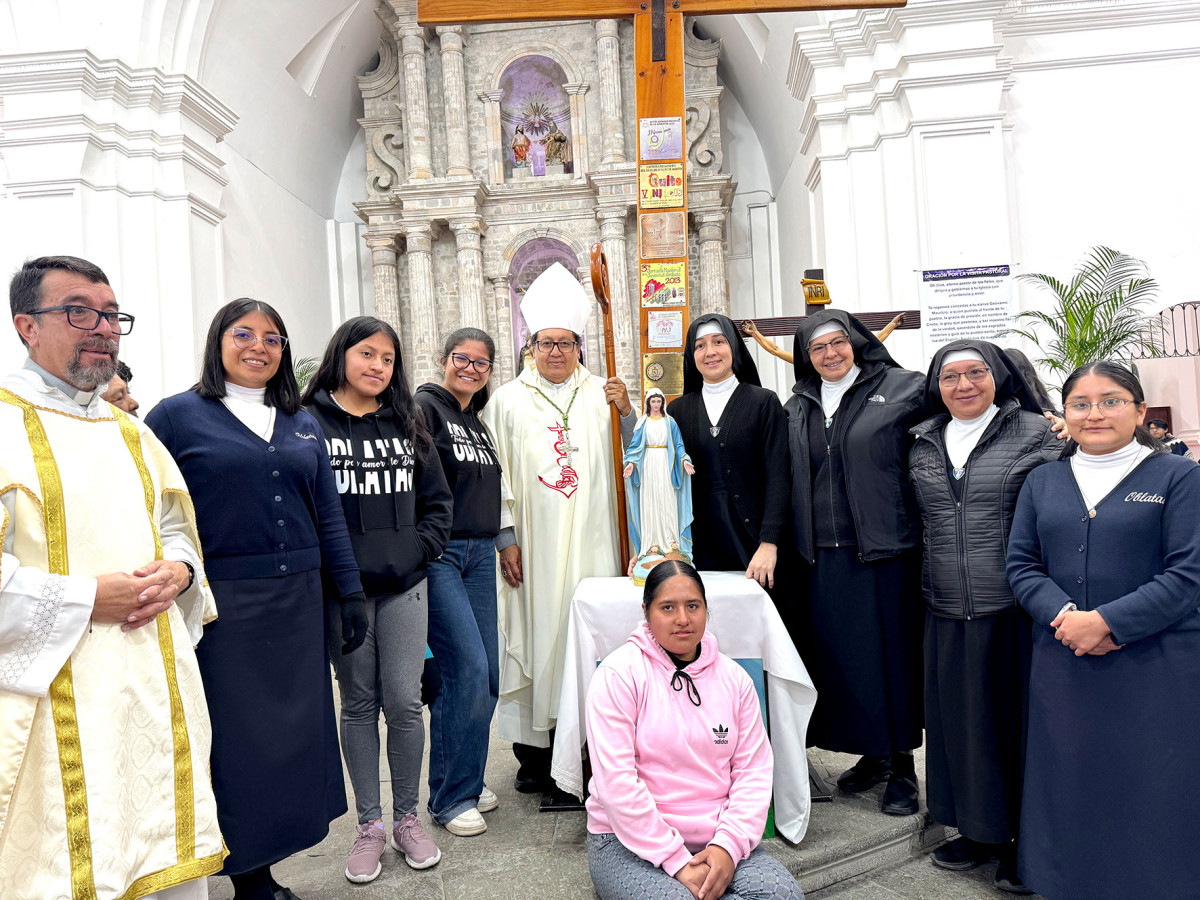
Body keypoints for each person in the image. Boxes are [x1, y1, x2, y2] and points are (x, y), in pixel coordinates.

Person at [0, 255, 223, 898]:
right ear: (26, 325)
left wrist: (180, 573)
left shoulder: (132, 433)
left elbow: (176, 531)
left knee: (162, 849)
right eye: (79, 312)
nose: (102, 328)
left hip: (152, 685)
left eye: (110, 315)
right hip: (51, 696)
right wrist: (84, 598)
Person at [146, 298, 368, 900]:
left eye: (272, 338)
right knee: (239, 742)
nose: (258, 347)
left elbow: (327, 512)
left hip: (299, 603)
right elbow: (150, 507)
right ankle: (246, 875)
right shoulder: (176, 416)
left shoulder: (300, 420)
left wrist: (349, 591)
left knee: (292, 739)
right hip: (224, 609)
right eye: (243, 334)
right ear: (218, 341)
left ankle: (267, 866)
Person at [1006, 360, 1200, 900]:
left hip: (1157, 663)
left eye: (1111, 401)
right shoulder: (1042, 481)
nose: (1095, 413)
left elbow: (1188, 574)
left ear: (1139, 411)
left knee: (1153, 782)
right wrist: (1068, 618)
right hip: (1063, 658)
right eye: (1081, 404)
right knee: (1070, 779)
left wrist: (1109, 623)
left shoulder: (1180, 477)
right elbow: (1021, 565)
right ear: (1064, 414)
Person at [301, 316, 453, 881]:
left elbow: (438, 502)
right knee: (359, 704)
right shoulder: (308, 422)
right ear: (341, 354)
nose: (378, 366)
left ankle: (407, 818)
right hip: (342, 591)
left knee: (406, 702)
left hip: (405, 586)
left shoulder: (407, 421)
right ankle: (369, 826)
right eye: (367, 354)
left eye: (388, 359)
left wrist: (418, 549)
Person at [908, 341, 1062, 894]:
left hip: (1014, 609)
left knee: (1018, 732)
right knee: (962, 730)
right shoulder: (923, 441)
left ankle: (1029, 844)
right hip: (947, 606)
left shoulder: (1039, 433)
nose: (964, 385)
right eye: (950, 377)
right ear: (936, 386)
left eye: (976, 373)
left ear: (997, 376)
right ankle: (979, 831)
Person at [481, 261, 634, 798]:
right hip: (534, 549)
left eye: (565, 343)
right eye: (546, 343)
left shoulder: (603, 395)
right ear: (530, 347)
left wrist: (629, 415)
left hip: (595, 544)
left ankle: (596, 747)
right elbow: (492, 475)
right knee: (538, 634)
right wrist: (505, 537)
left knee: (593, 639)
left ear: (579, 347)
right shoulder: (506, 401)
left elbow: (637, 457)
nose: (555, 352)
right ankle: (535, 754)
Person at [585, 560, 804, 900]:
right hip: (628, 840)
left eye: (693, 606)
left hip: (715, 836)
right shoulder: (618, 675)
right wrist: (676, 861)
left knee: (783, 895)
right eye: (667, 607)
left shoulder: (734, 680)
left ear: (705, 609)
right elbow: (617, 784)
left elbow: (753, 772)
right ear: (645, 611)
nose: (683, 619)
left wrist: (726, 848)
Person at [785, 308, 925, 816]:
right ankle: (875, 754)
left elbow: (964, 419)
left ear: (856, 342)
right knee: (847, 662)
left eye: (837, 342)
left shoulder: (904, 388)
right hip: (821, 554)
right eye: (817, 347)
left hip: (883, 549)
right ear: (807, 357)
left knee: (891, 660)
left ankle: (903, 766)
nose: (830, 354)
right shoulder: (797, 404)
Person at [414, 328, 504, 836]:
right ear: (444, 359)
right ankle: (450, 797)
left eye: (480, 362)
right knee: (463, 668)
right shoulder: (425, 409)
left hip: (481, 554)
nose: (470, 368)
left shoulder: (476, 421)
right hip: (443, 555)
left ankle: (466, 774)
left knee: (488, 673)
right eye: (461, 359)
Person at [666, 314, 789, 591]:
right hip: (698, 546)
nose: (710, 352)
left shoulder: (763, 402)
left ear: (733, 346)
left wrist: (769, 543)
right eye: (700, 345)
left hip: (756, 546)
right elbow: (666, 483)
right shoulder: (677, 411)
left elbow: (779, 477)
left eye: (718, 342)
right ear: (691, 355)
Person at [622, 387, 694, 582]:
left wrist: (685, 461)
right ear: (648, 403)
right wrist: (631, 464)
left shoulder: (670, 422)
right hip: (648, 466)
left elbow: (678, 445)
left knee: (667, 502)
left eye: (659, 401)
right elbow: (635, 447)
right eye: (653, 402)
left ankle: (671, 543)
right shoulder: (643, 423)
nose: (656, 404)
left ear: (663, 403)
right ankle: (651, 545)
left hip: (665, 465)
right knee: (651, 503)